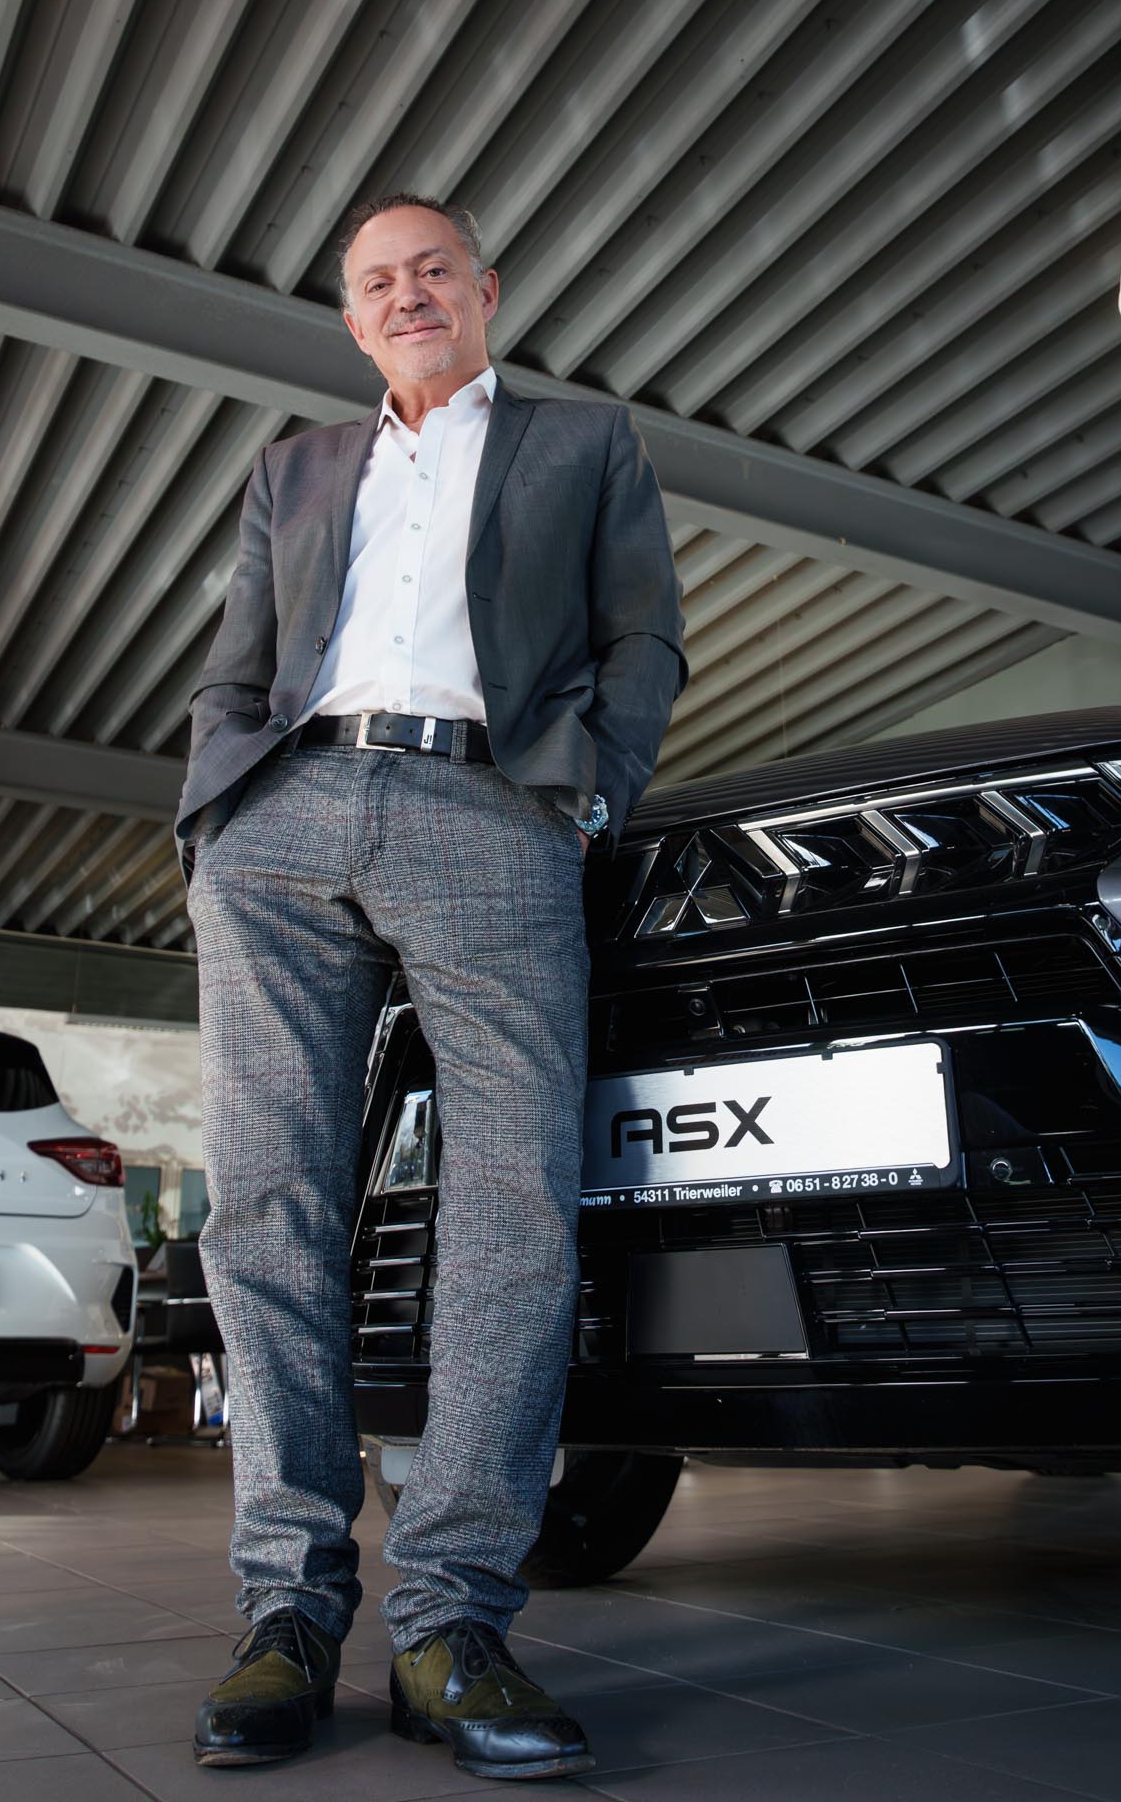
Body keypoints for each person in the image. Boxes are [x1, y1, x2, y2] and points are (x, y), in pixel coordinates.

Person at [177, 192, 686, 1776]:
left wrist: (583, 800)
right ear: (353, 319)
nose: (407, 295)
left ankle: (451, 1620)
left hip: (489, 809)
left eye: (431, 271)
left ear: (484, 290)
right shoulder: (294, 469)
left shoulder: (582, 443)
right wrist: (212, 815)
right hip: (284, 819)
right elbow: (236, 665)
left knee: (514, 1203)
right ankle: (286, 1610)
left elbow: (644, 639)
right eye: (377, 282)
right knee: (265, 1204)